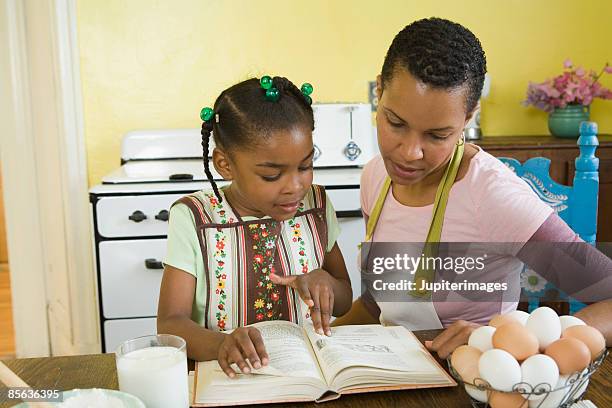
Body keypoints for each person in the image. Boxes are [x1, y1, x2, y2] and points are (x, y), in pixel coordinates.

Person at [333, 17, 612, 358]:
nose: (409, 153)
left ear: (468, 118)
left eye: (437, 135)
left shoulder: (493, 198)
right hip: (398, 367)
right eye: (395, 123)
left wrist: (508, 338)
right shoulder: (375, 176)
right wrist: (318, 343)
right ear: (380, 92)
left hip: (474, 384)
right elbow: (382, 302)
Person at [157, 76, 353, 377]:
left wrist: (324, 282)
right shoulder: (195, 217)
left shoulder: (317, 205)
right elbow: (170, 323)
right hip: (226, 379)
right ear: (225, 165)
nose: (296, 186)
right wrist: (221, 344)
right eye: (272, 175)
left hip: (306, 378)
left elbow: (344, 298)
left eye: (305, 166)